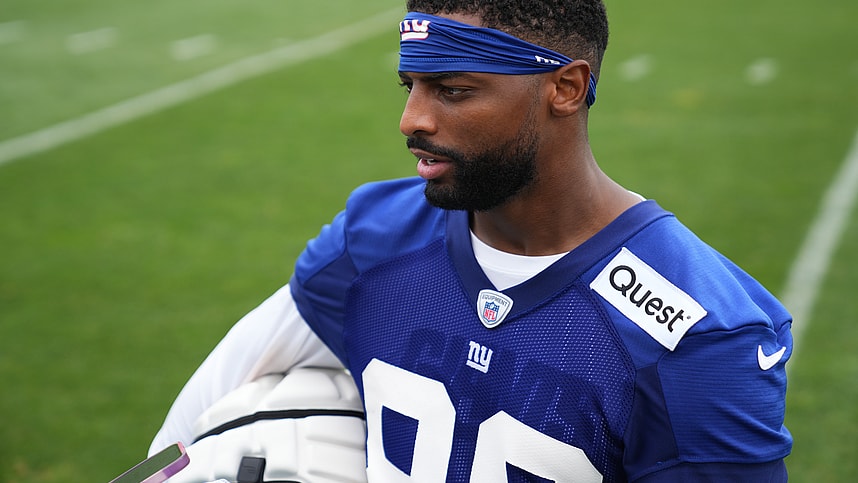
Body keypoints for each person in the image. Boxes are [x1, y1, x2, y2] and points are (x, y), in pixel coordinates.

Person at [149, 0, 793, 481]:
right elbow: (210, 407)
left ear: (564, 88)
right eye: (411, 87)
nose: (412, 120)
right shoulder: (375, 237)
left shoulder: (698, 336)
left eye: (453, 91)